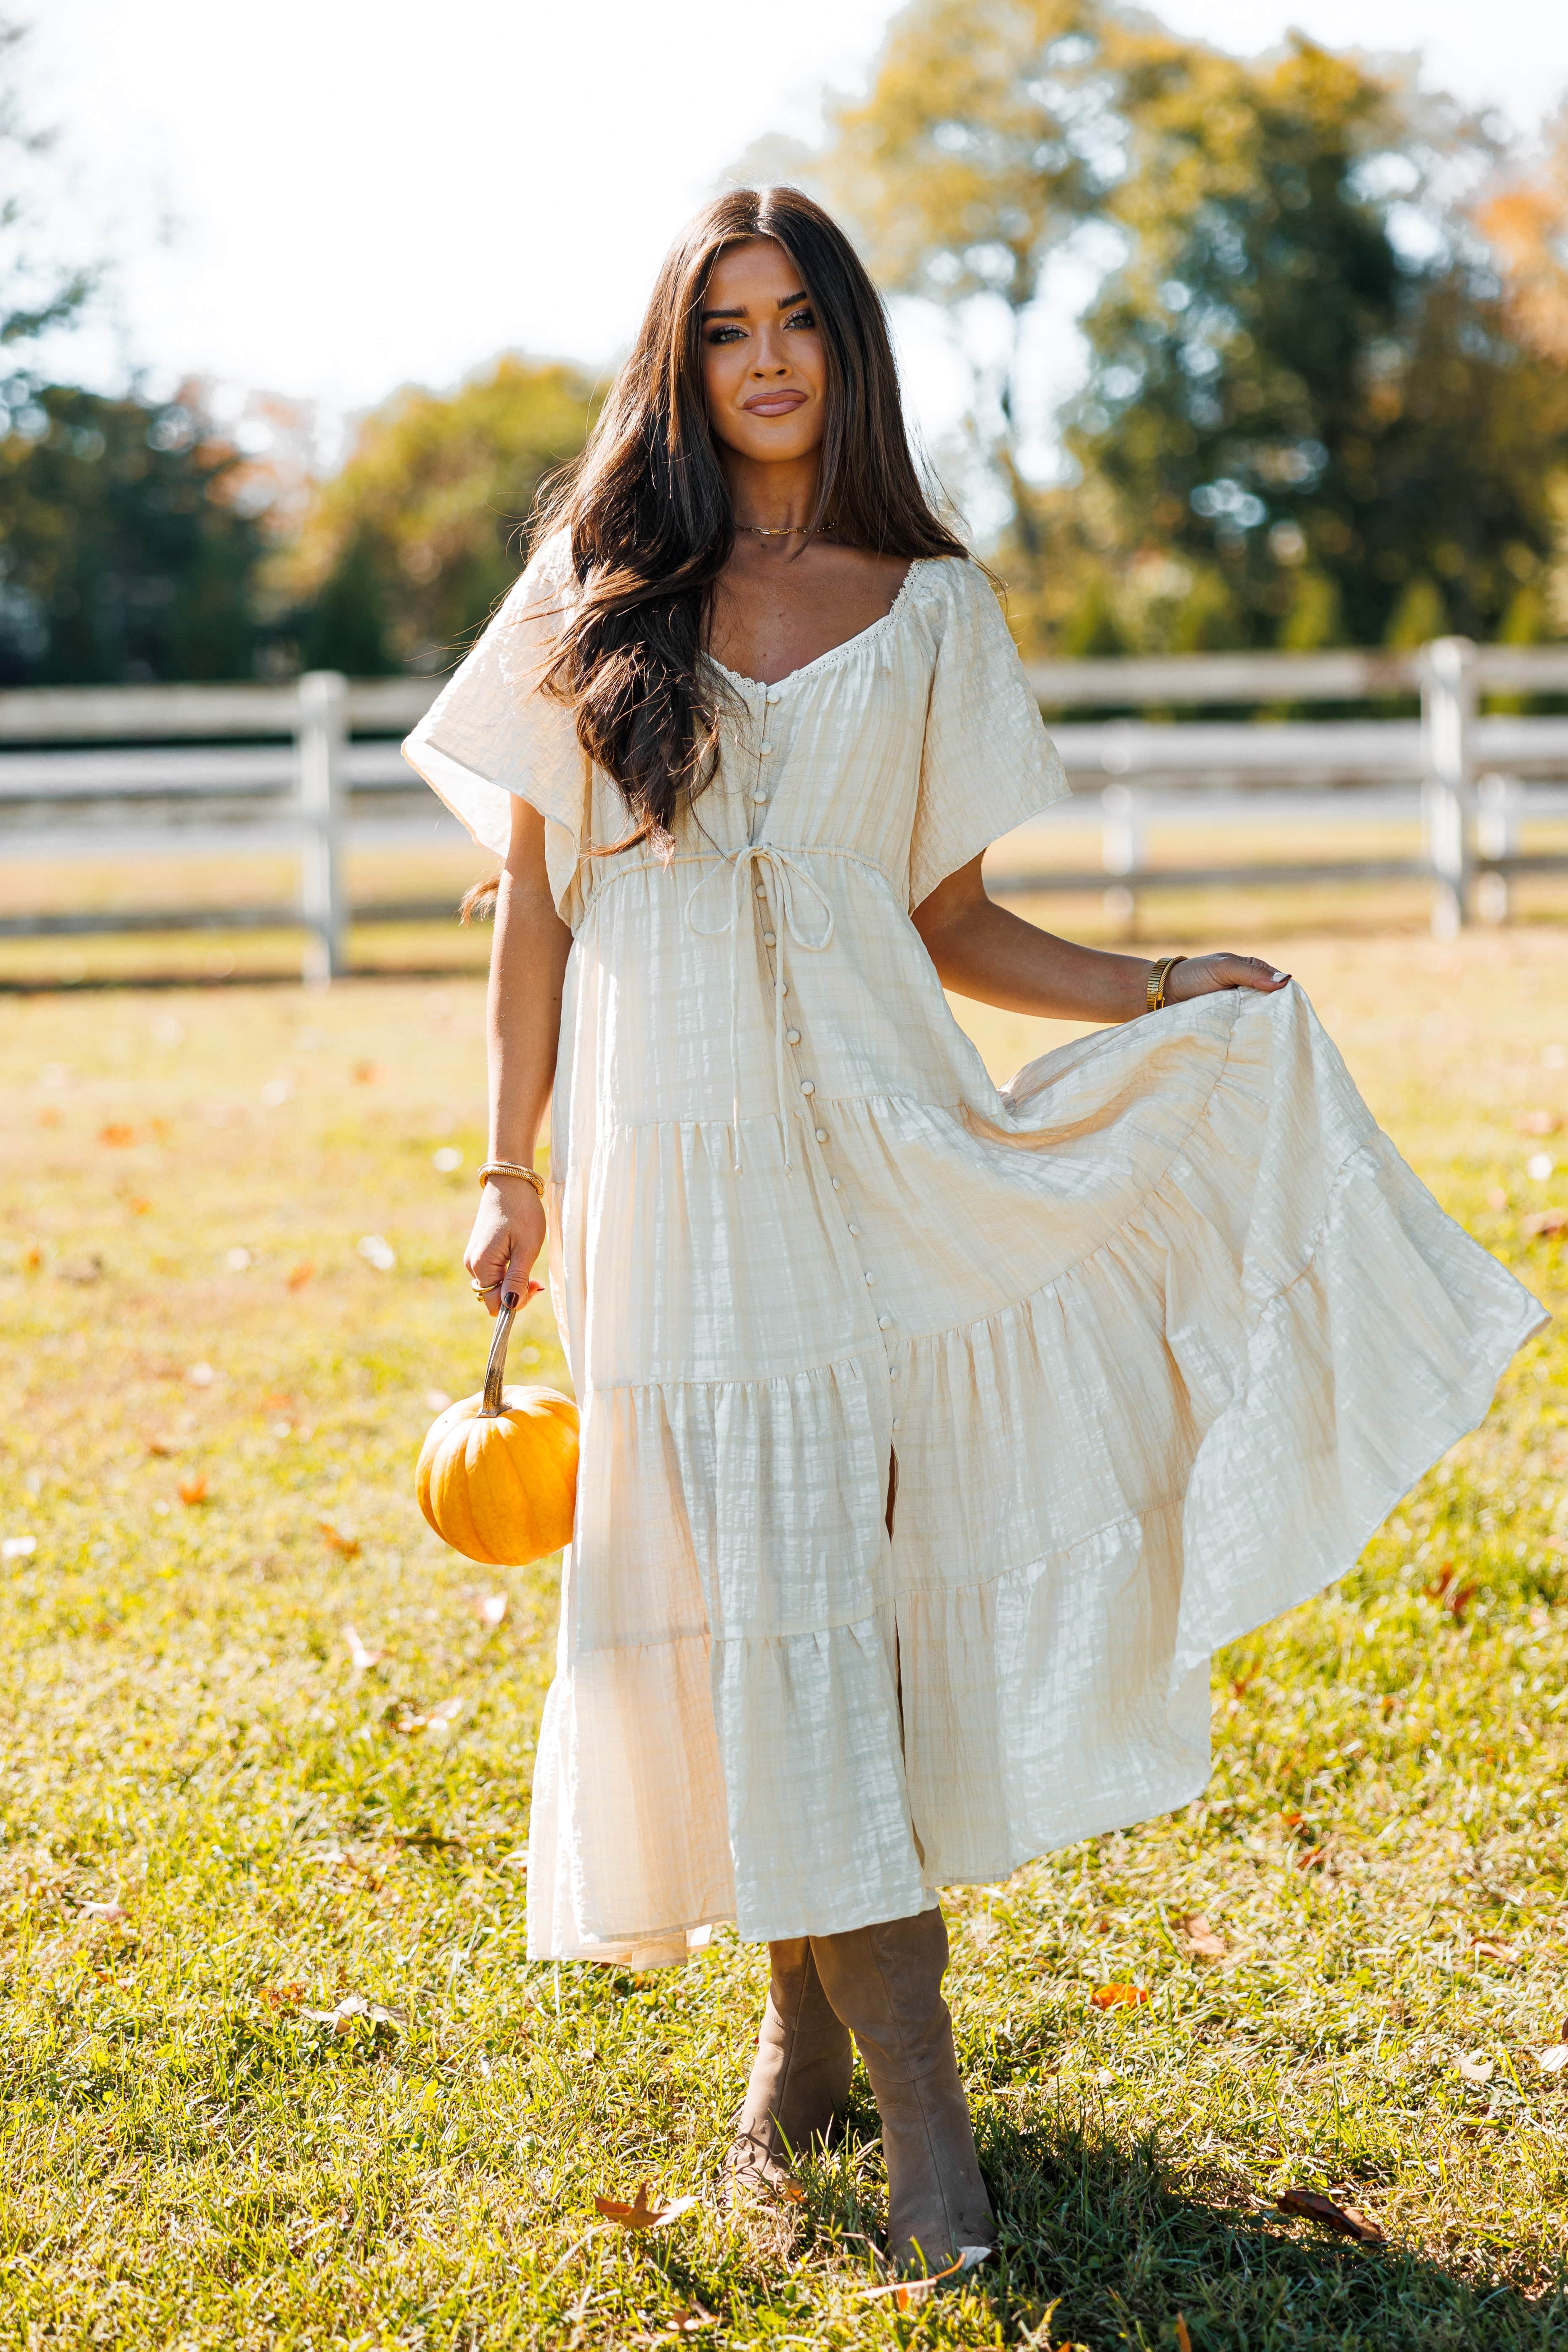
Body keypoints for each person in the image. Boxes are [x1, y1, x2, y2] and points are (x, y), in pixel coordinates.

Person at [403, 186, 1542, 2280]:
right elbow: (536, 915)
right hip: (664, 1181)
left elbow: (946, 922)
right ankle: (805, 2044)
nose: (764, 359)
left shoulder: (928, 606)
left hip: (875, 1157)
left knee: (827, 1605)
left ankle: (900, 2092)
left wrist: (1152, 987)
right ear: (682, 360)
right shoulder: (596, 586)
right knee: (748, 1604)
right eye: (725, 326)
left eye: (797, 321)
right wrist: (509, 1168)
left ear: (846, 349)